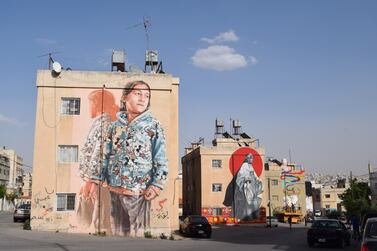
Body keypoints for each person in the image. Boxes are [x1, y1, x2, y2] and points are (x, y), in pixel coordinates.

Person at [80, 80, 168, 237]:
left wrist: (156, 185)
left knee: (137, 236)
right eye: (137, 93)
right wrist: (94, 180)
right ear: (125, 98)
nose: (142, 98)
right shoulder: (114, 126)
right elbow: (104, 156)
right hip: (113, 191)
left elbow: (160, 157)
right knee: (118, 235)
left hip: (139, 193)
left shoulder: (153, 126)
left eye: (147, 96)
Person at [77, 90, 119, 232]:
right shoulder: (100, 124)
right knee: (97, 217)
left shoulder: (104, 125)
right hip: (97, 181)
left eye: (90, 103)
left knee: (99, 218)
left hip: (99, 183)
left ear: (97, 104)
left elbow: (100, 154)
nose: (89, 107)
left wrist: (91, 182)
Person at [223, 153, 263, 221]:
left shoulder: (251, 166)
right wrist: (246, 179)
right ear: (247, 159)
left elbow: (255, 176)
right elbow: (240, 176)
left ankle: (254, 216)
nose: (252, 160)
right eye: (251, 158)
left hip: (252, 187)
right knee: (247, 202)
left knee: (254, 202)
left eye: (252, 158)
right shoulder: (244, 166)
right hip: (246, 187)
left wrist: (258, 180)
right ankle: (247, 216)